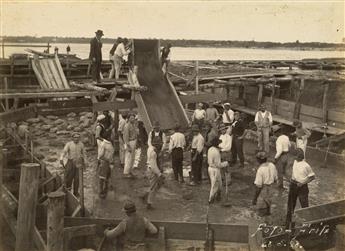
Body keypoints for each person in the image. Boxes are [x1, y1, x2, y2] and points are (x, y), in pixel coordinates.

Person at [286, 148, 315, 228]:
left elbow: (312, 177)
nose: (294, 158)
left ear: (299, 157)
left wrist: (302, 183)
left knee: (304, 205)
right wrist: (291, 178)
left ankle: (307, 223)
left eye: (295, 156)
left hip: (302, 187)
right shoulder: (295, 162)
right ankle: (288, 223)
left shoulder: (306, 165)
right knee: (290, 205)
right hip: (293, 184)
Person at [252, 151, 278, 220]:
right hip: (273, 189)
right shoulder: (272, 165)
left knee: (261, 212)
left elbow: (258, 186)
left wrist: (254, 199)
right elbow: (276, 179)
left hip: (264, 189)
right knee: (270, 210)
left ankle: (263, 225)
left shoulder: (260, 170)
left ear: (258, 160)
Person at [142, 137, 165, 209]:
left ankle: (146, 196)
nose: (160, 145)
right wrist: (159, 174)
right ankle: (149, 203)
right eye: (159, 144)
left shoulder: (150, 148)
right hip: (152, 170)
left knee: (158, 185)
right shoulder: (153, 152)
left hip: (151, 169)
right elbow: (153, 165)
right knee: (154, 187)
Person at [207, 137, 229, 203]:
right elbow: (218, 164)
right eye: (218, 143)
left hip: (211, 168)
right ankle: (210, 199)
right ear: (216, 144)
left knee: (219, 184)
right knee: (214, 185)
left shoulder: (210, 149)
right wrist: (226, 163)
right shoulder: (216, 152)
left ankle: (218, 196)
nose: (219, 144)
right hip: (215, 170)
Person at [123, 113, 138, 178]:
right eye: (131, 118)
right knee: (128, 158)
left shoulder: (133, 125)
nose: (133, 119)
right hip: (129, 142)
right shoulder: (127, 126)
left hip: (133, 141)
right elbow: (126, 137)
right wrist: (128, 146)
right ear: (128, 119)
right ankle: (126, 172)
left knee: (132, 158)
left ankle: (130, 171)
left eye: (133, 118)